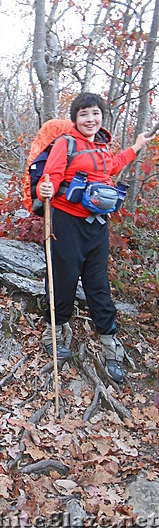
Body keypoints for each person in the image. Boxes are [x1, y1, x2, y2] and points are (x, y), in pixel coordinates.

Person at [37, 92, 155, 382]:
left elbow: (113, 165)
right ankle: (54, 332)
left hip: (97, 226)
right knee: (63, 280)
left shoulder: (102, 146)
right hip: (66, 224)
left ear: (102, 116)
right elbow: (48, 179)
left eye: (95, 113)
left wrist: (137, 146)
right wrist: (44, 190)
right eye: (84, 114)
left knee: (99, 284)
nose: (90, 119)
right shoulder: (66, 144)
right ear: (75, 118)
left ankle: (109, 343)